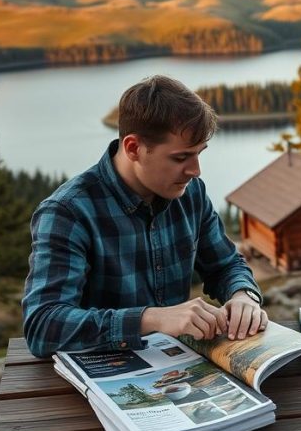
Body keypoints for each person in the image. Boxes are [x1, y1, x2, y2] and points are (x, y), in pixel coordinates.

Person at [23, 75, 266, 358]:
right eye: (180, 157)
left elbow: (225, 265)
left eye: (199, 154)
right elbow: (42, 326)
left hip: (178, 369)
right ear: (133, 148)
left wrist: (243, 296)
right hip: (98, 381)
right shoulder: (68, 212)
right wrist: (151, 319)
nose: (195, 170)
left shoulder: (191, 193)